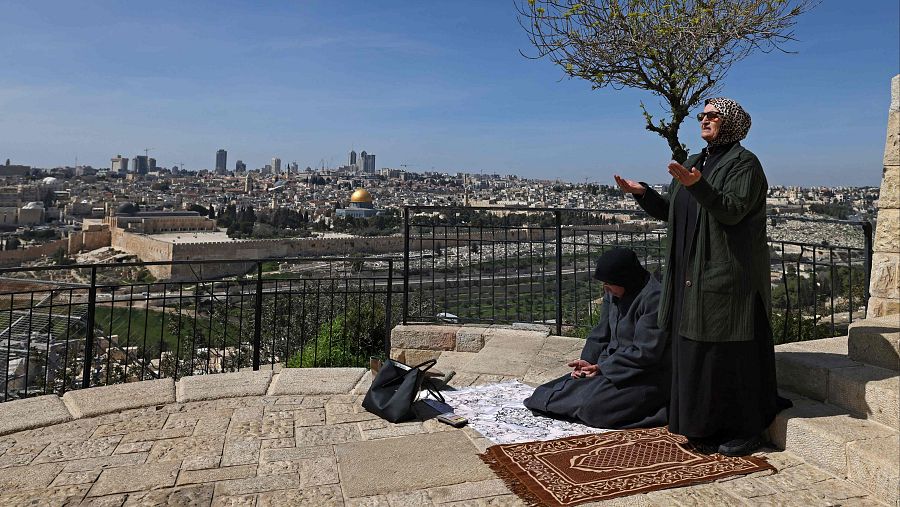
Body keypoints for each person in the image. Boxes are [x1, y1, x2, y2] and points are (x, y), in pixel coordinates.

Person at [614, 97, 790, 456]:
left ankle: (745, 428)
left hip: (727, 276)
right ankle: (703, 426)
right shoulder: (697, 161)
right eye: (703, 115)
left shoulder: (746, 165)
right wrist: (644, 194)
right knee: (696, 354)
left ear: (732, 122)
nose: (704, 120)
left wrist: (699, 186)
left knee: (728, 355)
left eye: (712, 115)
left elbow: (732, 211)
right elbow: (675, 212)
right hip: (690, 275)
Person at [524, 248, 670, 429]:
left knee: (592, 408)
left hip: (641, 376)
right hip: (609, 369)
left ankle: (660, 410)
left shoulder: (654, 298)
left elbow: (645, 352)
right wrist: (587, 361)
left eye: (609, 284)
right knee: (545, 392)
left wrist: (603, 368)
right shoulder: (614, 293)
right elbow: (600, 333)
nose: (606, 289)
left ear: (625, 278)